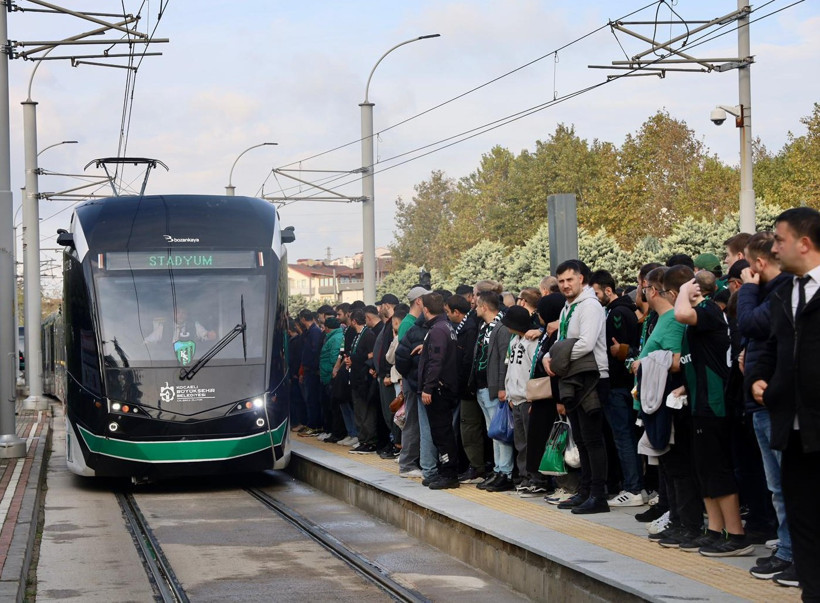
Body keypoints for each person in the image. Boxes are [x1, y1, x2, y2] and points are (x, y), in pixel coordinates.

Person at [749, 207, 820, 596]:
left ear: (804, 243)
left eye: (779, 239)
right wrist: (757, 380)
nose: (774, 247)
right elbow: (763, 342)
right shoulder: (785, 292)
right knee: (803, 521)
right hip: (791, 429)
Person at [674, 271, 752, 556]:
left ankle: (736, 534)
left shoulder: (707, 310)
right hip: (700, 402)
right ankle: (716, 529)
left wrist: (685, 291)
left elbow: (681, 314)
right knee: (703, 469)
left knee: (717, 469)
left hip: (714, 404)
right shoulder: (701, 313)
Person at [736, 230, 794, 580]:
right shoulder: (772, 291)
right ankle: (787, 550)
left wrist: (748, 288)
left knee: (788, 484)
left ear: (757, 264)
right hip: (759, 400)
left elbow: (751, 324)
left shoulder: (781, 290)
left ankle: (794, 553)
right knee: (778, 486)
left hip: (775, 400)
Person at [544, 260, 610, 515]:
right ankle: (585, 489)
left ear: (581, 279)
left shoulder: (591, 306)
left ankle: (598, 494)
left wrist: (557, 359)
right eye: (560, 281)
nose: (565, 285)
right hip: (571, 376)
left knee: (593, 438)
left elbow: (586, 343)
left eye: (569, 280)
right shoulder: (566, 308)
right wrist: (547, 357)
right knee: (581, 438)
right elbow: (561, 341)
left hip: (592, 377)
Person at [589, 269, 645, 507]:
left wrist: (620, 352)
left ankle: (633, 487)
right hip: (624, 385)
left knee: (624, 437)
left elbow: (623, 347)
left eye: (596, 292)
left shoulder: (618, 312)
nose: (594, 298)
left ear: (608, 290)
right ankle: (634, 485)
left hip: (619, 385)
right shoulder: (619, 310)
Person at [470, 290, 514, 492]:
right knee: (493, 431)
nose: (475, 307)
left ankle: (505, 472)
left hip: (495, 388)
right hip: (482, 386)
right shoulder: (484, 326)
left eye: (477, 305)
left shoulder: (501, 327)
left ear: (485, 307)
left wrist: (503, 387)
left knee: (500, 432)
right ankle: (498, 469)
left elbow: (505, 359)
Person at [417, 293, 461, 489]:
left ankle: (449, 473)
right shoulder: (446, 327)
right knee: (442, 432)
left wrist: (428, 387)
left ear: (425, 309)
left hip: (439, 389)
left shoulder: (437, 330)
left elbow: (436, 361)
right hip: (446, 387)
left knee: (442, 433)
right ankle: (445, 471)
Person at [500, 305, 540, 496]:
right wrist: (509, 393)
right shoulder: (513, 341)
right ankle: (525, 476)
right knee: (520, 442)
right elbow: (510, 369)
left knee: (531, 441)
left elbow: (533, 370)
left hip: (527, 398)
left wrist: (532, 396)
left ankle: (536, 478)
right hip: (515, 398)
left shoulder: (532, 341)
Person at [144, 306, 216, 344]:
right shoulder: (164, 327)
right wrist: (147, 345)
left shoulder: (194, 325)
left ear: (187, 315)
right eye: (178, 312)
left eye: (183, 313)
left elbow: (204, 335)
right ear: (173, 314)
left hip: (190, 358)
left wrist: (209, 335)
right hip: (168, 358)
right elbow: (149, 340)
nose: (181, 315)